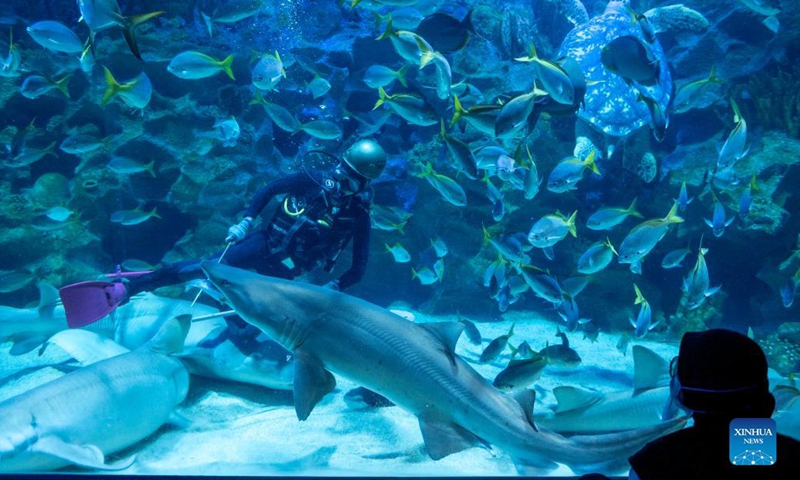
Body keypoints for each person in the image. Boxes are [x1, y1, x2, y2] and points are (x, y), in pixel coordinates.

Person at [60, 139, 387, 327]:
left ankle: (223, 313)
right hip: (262, 243)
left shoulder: (357, 216)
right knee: (203, 267)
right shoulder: (312, 180)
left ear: (363, 184)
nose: (341, 182)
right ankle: (127, 288)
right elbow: (270, 190)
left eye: (351, 178)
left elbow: (358, 268)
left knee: (248, 321)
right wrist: (246, 221)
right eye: (341, 172)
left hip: (291, 271)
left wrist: (334, 286)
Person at [628, 328, 800, 479]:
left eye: (678, 369)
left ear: (683, 397)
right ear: (764, 396)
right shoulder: (789, 456)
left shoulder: (654, 462)